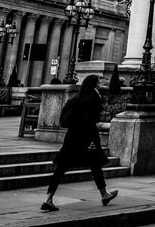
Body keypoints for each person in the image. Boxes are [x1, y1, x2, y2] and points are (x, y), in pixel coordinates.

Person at [40, 74, 118, 212]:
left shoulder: (78, 97)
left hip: (72, 137)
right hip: (86, 137)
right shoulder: (93, 97)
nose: (102, 81)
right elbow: (90, 119)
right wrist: (93, 140)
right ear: (94, 83)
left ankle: (48, 198)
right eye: (99, 80)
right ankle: (104, 194)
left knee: (62, 167)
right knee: (95, 165)